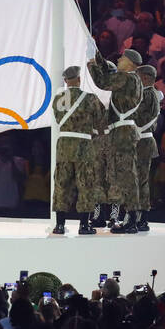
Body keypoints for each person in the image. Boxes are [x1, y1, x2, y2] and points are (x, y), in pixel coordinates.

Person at [86, 45, 143, 233]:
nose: (118, 60)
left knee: (126, 176)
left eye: (122, 59)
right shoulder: (131, 79)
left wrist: (91, 63)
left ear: (130, 64)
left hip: (123, 133)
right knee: (125, 175)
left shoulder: (126, 78)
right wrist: (98, 57)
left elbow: (102, 81)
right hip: (124, 132)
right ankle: (131, 217)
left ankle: (132, 219)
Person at [50, 65, 106, 236]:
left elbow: (58, 117)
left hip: (64, 145)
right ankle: (84, 225)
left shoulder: (59, 98)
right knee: (86, 184)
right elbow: (101, 121)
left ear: (66, 81)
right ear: (79, 79)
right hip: (84, 145)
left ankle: (59, 225)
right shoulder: (90, 98)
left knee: (62, 184)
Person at [132, 64, 162, 233]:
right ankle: (138, 216)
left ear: (145, 78)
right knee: (139, 180)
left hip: (142, 141)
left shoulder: (148, 95)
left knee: (140, 181)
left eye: (138, 77)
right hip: (141, 141)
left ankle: (141, 217)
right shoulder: (151, 94)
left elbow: (137, 116)